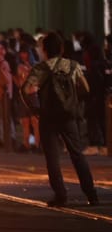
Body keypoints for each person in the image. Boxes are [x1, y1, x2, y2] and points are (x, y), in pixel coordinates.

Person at [23, 32, 99, 207]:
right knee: (77, 154)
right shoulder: (72, 66)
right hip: (67, 116)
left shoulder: (41, 68)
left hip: (48, 117)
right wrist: (71, 101)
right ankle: (91, 194)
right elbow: (85, 88)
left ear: (44, 49)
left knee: (52, 158)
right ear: (62, 48)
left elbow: (25, 89)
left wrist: (34, 108)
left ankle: (60, 195)